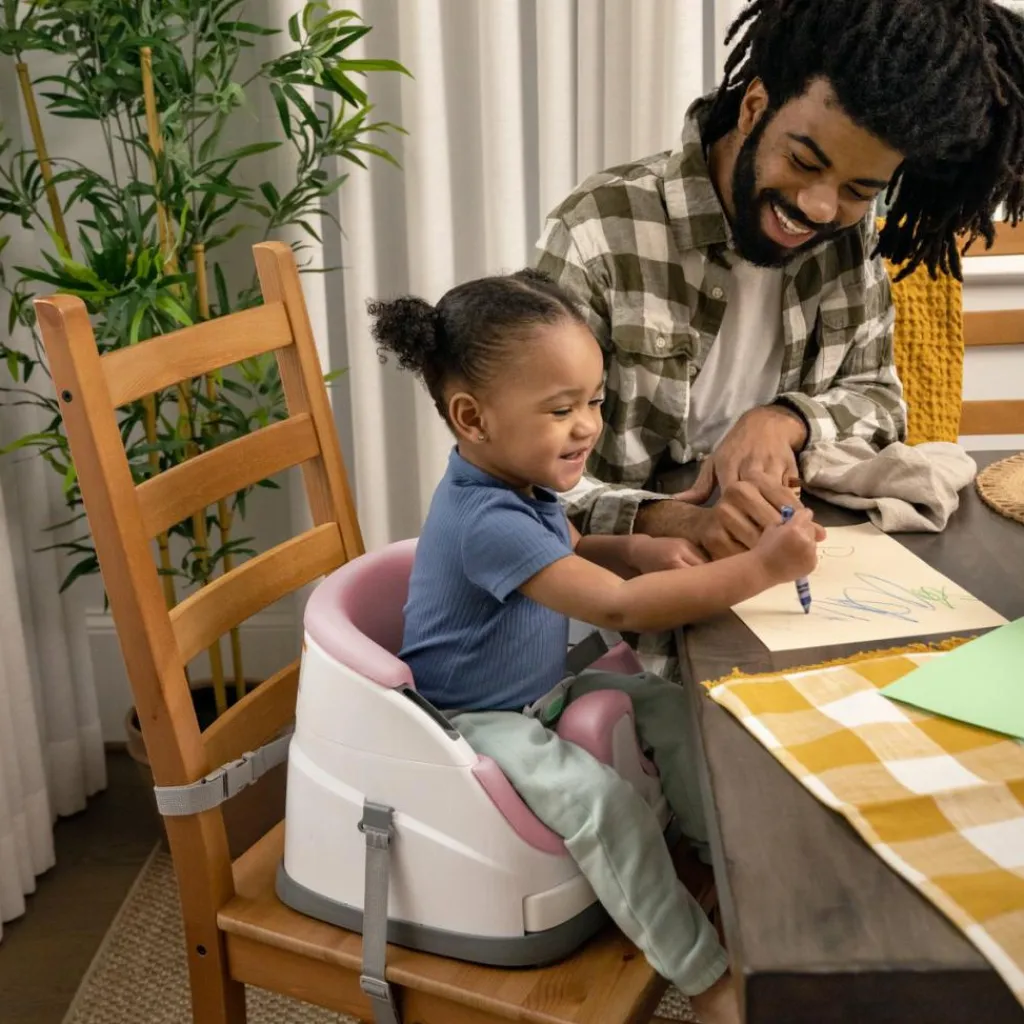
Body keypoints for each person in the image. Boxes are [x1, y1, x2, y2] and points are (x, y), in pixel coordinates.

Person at [367, 268, 818, 1024]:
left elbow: (572, 547)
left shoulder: (518, 481)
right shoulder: (487, 520)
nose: (587, 426)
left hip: (541, 692)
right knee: (604, 808)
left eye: (596, 402)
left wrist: (634, 548)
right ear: (473, 417)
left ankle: (728, 873)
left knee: (676, 710)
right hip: (476, 719)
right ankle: (705, 979)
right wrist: (762, 569)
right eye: (561, 409)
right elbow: (616, 605)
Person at [535, 0, 1024, 677]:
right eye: (803, 160)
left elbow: (880, 400)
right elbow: (527, 476)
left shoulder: (848, 237)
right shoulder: (598, 232)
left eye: (859, 189)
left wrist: (782, 420)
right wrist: (675, 519)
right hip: (632, 621)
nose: (820, 207)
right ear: (754, 106)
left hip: (803, 598)